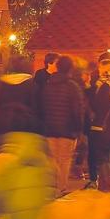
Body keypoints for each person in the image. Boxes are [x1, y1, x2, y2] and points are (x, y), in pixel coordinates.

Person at [39, 55, 85, 194]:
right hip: (67, 130)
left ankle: (52, 187)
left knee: (52, 159)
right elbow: (78, 110)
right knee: (64, 160)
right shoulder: (72, 86)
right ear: (70, 69)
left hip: (49, 129)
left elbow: (43, 107)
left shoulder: (47, 85)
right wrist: (79, 129)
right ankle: (61, 188)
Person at [87, 54, 110, 192]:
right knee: (107, 155)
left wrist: (89, 91)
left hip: (100, 124)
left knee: (102, 156)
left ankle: (106, 185)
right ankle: (106, 184)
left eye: (100, 69)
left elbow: (100, 105)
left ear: (105, 70)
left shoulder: (104, 86)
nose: (98, 71)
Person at [0, 55, 40, 139]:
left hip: (4, 125)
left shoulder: (3, 84)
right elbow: (35, 107)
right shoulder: (31, 85)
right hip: (25, 127)